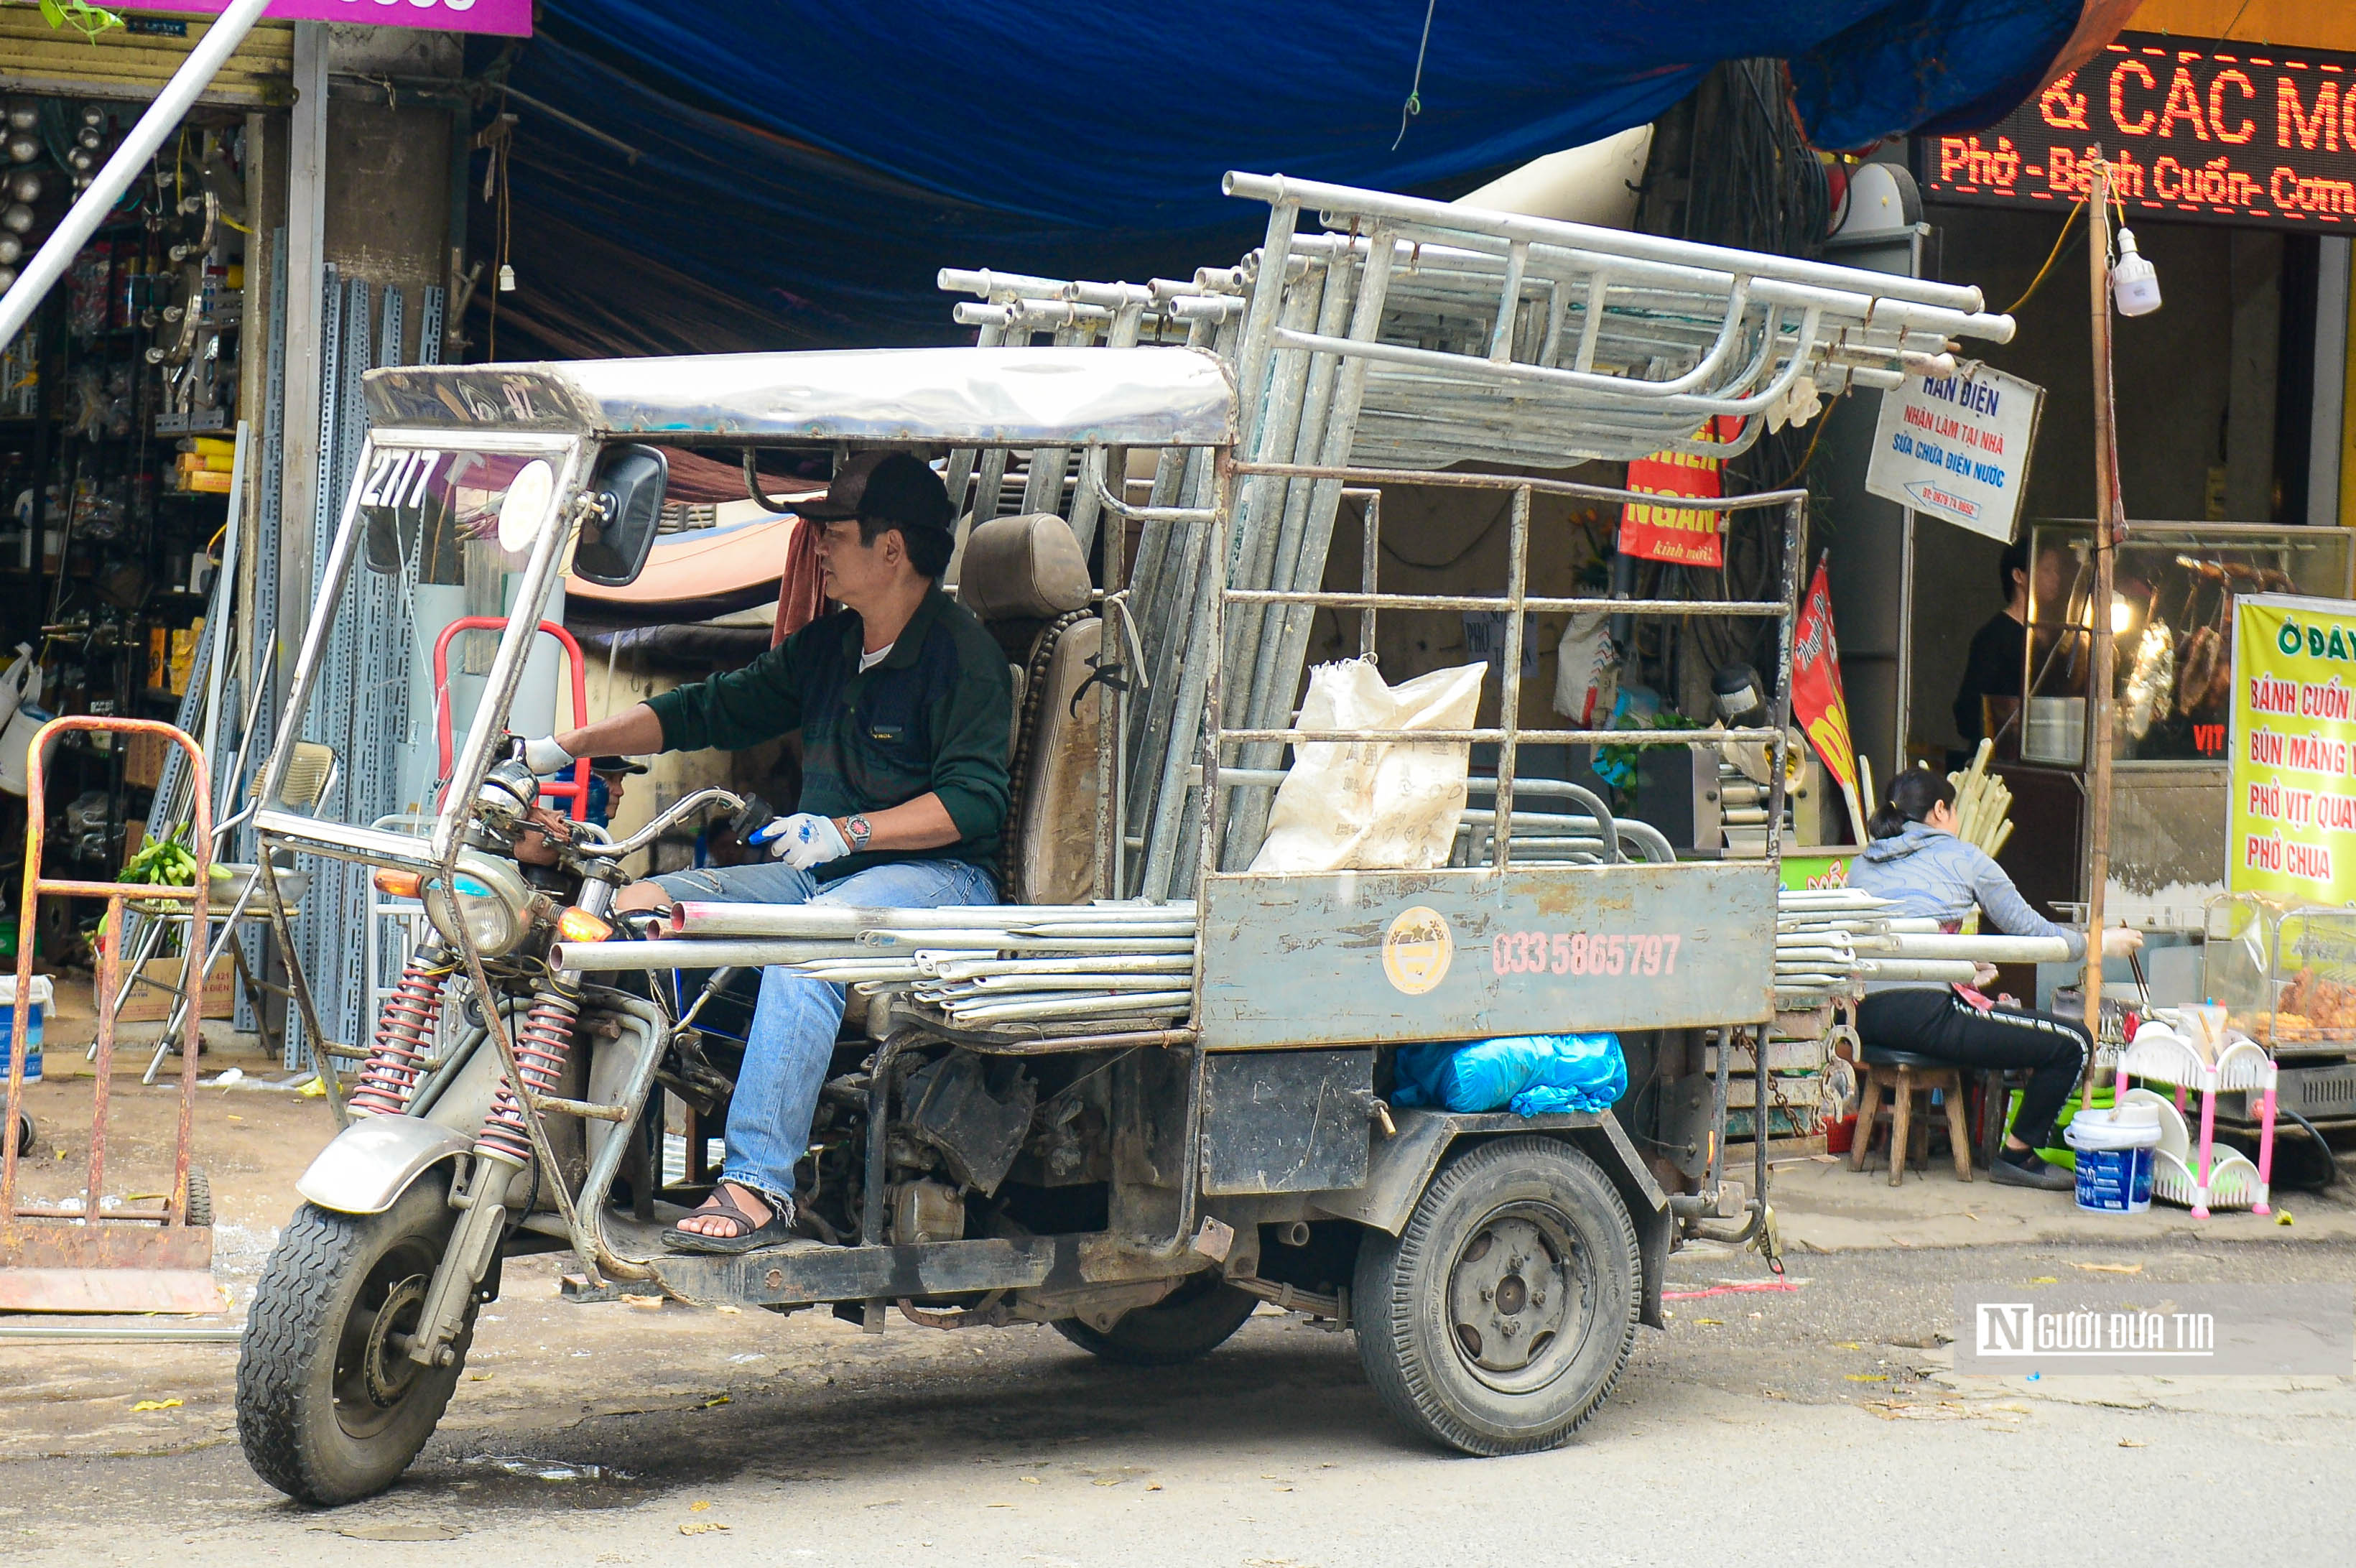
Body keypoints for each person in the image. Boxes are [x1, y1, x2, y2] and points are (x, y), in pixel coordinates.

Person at [519, 450, 1011, 1252]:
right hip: (824, 873)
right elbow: (710, 708)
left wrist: (847, 830)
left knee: (804, 950)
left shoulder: (964, 657)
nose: (817, 545)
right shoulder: (832, 645)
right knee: (642, 909)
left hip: (939, 880)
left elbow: (973, 801)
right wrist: (559, 746)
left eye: (836, 532)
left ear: (892, 549)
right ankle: (611, 1162)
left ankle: (758, 1183)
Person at [1846, 768, 2142, 1191]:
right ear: (1940, 810)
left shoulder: (1863, 864)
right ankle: (2018, 1154)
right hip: (1928, 1017)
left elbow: (1900, 939)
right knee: (2074, 1041)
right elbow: (2031, 930)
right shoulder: (1964, 858)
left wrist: (1961, 968)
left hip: (1871, 1017)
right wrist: (2099, 943)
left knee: (2004, 1026)